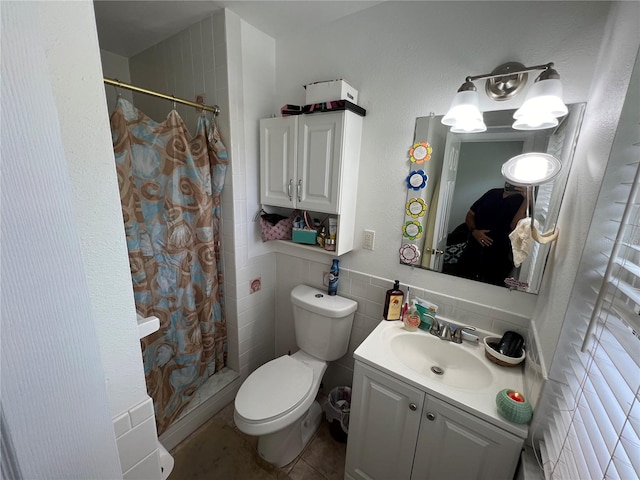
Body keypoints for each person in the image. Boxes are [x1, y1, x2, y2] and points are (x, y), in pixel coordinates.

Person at [455, 182, 529, 286]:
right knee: (458, 283)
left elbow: (516, 226)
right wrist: (474, 231)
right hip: (472, 251)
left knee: (489, 291)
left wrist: (526, 199)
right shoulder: (492, 193)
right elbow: (470, 214)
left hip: (498, 258)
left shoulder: (523, 202)